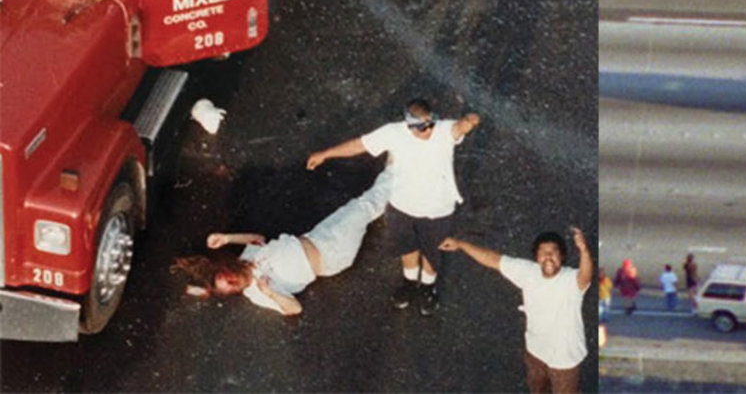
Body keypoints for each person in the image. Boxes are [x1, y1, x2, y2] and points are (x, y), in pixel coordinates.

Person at [306, 98, 480, 316]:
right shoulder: (392, 133)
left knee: (432, 254)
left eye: (430, 123)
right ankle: (409, 283)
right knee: (406, 248)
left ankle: (427, 287)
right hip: (402, 207)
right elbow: (359, 145)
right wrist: (325, 154)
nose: (428, 130)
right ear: (409, 125)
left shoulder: (444, 131)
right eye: (421, 127)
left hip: (438, 211)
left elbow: (458, 128)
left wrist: (469, 121)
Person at [172, 167, 393, 315]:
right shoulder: (257, 294)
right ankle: (399, 170)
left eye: (227, 277)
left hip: (317, 235)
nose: (232, 281)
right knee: (364, 207)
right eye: (230, 286)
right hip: (332, 255)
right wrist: (270, 292)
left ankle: (395, 173)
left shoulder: (246, 259)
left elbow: (257, 239)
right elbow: (294, 309)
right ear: (233, 292)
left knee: (365, 206)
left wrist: (227, 237)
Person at [439, 228, 592, 394]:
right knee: (537, 388)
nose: (548, 257)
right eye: (543, 252)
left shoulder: (571, 280)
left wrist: (583, 250)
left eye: (553, 252)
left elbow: (586, 276)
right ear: (536, 257)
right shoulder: (528, 272)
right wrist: (461, 244)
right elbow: (493, 259)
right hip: (535, 352)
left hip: (565, 359)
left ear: (562, 257)